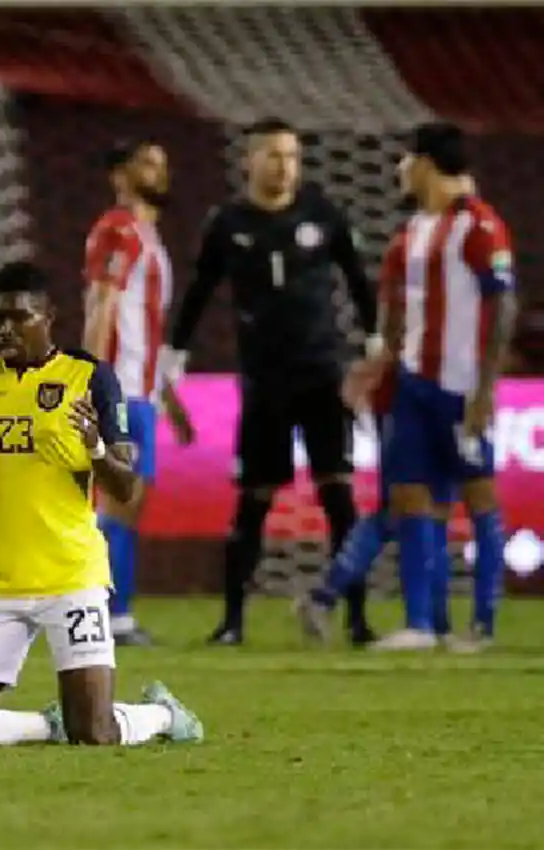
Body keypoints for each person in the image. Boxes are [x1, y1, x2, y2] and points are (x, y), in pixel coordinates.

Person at [0, 261, 202, 748]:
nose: (4, 328)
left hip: (70, 578)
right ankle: (41, 725)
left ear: (48, 316)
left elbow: (125, 489)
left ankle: (161, 715)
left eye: (18, 316)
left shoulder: (89, 376)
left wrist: (95, 447)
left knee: (93, 734)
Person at [164, 117, 381, 646]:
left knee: (338, 494)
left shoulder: (322, 213)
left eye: (291, 156)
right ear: (250, 162)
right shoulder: (228, 223)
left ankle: (356, 619)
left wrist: (375, 344)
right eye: (274, 155)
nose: (284, 166)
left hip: (321, 374)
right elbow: (198, 291)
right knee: (254, 500)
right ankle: (232, 620)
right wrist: (175, 354)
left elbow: (357, 280)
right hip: (264, 379)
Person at [343, 122, 515, 651]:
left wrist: (485, 391)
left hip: (460, 388)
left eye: (404, 159)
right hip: (414, 385)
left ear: (425, 163)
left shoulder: (480, 226)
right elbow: (399, 321)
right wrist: (372, 368)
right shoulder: (416, 229)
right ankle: (423, 625)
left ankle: (482, 627)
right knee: (412, 498)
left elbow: (504, 306)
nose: (398, 170)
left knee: (479, 496)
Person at [81, 139, 195, 646]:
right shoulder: (118, 230)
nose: (159, 173)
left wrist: (170, 400)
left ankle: (110, 611)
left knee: (128, 505)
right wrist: (88, 380)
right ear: (120, 176)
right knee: (118, 501)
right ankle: (106, 614)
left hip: (141, 392)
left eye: (163, 164)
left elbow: (144, 326)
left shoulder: (146, 235)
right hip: (119, 390)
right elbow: (101, 305)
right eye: (147, 164)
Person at [295, 365, 459, 645]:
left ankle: (435, 623)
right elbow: (389, 338)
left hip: (444, 395)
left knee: (431, 509)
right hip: (404, 402)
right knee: (403, 507)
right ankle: (423, 623)